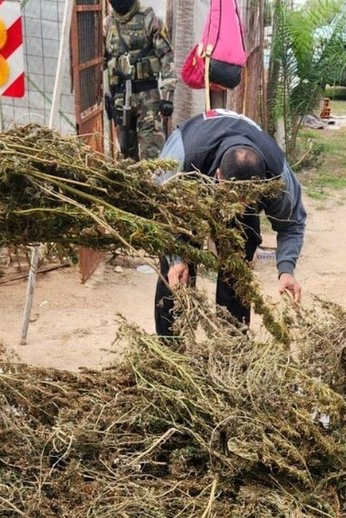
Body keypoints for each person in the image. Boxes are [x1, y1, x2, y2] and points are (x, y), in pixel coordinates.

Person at [153, 109, 307, 337]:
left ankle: (232, 347)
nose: (239, 206)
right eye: (234, 199)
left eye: (248, 200)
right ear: (218, 175)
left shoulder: (277, 177)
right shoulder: (181, 159)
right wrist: (175, 257)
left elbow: (292, 223)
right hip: (191, 191)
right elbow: (162, 209)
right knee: (175, 275)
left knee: (237, 271)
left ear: (262, 185)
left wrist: (286, 269)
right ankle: (170, 348)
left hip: (230, 177)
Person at [104, 0, 175, 160]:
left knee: (151, 153)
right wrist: (107, 96)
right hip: (120, 99)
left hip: (147, 98)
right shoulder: (108, 24)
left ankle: (153, 184)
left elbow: (166, 56)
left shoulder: (149, 18)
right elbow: (105, 61)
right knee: (126, 154)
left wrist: (167, 97)